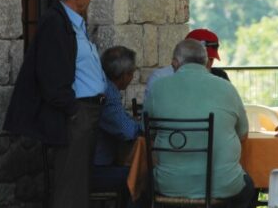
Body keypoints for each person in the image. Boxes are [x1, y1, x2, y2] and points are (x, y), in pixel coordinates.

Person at [4, 0, 105, 208]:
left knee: (78, 185)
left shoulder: (72, 23)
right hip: (75, 114)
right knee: (70, 188)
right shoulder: (55, 22)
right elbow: (51, 77)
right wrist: (73, 112)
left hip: (85, 112)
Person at [145, 39, 256, 208]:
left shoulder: (157, 89)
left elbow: (147, 133)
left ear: (175, 63)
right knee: (248, 186)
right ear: (205, 62)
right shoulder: (227, 88)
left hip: (170, 185)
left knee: (141, 186)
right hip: (223, 186)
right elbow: (243, 134)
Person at [92, 46, 142, 198]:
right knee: (142, 176)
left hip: (89, 166)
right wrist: (145, 125)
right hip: (95, 171)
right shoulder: (108, 93)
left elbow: (120, 119)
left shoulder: (102, 86)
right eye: (132, 73)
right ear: (124, 75)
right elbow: (126, 131)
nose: (132, 77)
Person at [144, 28, 229, 101]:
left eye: (211, 59)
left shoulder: (220, 77)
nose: (208, 64)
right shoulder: (159, 78)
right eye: (203, 59)